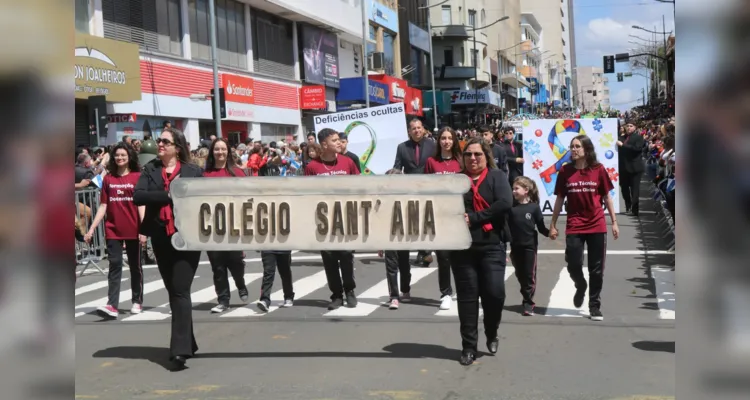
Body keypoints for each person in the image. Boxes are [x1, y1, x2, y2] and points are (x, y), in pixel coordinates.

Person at [134, 127, 203, 369]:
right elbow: (139, 196)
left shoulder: (193, 172)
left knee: (181, 289)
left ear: (177, 147)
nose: (159, 144)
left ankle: (179, 351)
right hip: (161, 238)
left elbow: (200, 199)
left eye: (165, 141)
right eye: (159, 141)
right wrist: (171, 195)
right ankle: (189, 343)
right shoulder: (150, 169)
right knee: (174, 291)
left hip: (188, 238)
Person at [452, 138, 513, 366]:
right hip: (463, 249)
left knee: (495, 294)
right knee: (467, 300)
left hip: (492, 246)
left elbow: (504, 203)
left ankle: (491, 330)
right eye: (468, 154)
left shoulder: (496, 177)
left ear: (486, 156)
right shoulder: (456, 181)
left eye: (477, 154)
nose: (473, 158)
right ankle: (468, 346)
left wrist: (475, 218)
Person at [549, 135, 619, 322]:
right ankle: (580, 285)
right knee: (573, 263)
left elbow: (607, 197)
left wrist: (614, 222)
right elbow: (559, 199)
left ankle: (594, 305)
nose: (574, 149)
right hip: (574, 223)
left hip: (596, 224)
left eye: (577, 146)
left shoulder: (599, 169)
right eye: (572, 146)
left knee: (597, 269)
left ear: (587, 149)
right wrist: (553, 223)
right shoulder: (565, 171)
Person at [84, 143, 146, 318]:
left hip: (134, 228)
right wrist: (92, 227)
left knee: (136, 266)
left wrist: (143, 229)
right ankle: (112, 304)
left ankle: (137, 300)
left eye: (123, 155)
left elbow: (141, 204)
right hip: (113, 230)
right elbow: (104, 205)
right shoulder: (108, 179)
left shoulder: (137, 177)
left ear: (129, 157)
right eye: (117, 155)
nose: (120, 158)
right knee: (115, 265)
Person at [304, 128, 360, 310]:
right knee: (329, 259)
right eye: (334, 140)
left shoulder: (348, 163)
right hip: (323, 222)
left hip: (345, 218)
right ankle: (336, 295)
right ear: (324, 144)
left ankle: (350, 291)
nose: (339, 142)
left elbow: (359, 188)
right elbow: (307, 195)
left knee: (346, 256)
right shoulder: (312, 167)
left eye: (339, 140)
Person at [202, 138, 249, 313]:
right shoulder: (205, 174)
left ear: (228, 152)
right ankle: (223, 300)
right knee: (218, 266)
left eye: (223, 149)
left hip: (234, 225)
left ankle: (240, 284)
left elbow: (248, 196)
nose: (220, 152)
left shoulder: (236, 172)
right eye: (216, 149)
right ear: (212, 152)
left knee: (236, 262)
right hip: (212, 226)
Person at [424, 126, 463, 310]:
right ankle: (445, 293)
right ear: (438, 141)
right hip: (439, 216)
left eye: (449, 138)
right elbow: (425, 187)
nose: (446, 141)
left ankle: (464, 290)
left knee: (462, 257)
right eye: (443, 138)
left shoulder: (461, 161)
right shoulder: (431, 162)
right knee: (443, 257)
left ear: (454, 140)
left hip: (460, 215)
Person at [393, 118, 436, 267]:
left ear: (423, 129)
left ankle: (426, 252)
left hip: (429, 188)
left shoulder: (433, 145)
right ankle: (422, 251)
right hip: (410, 189)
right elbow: (397, 167)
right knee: (416, 221)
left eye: (419, 128)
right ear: (409, 131)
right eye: (413, 128)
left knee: (428, 220)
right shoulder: (402, 147)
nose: (417, 131)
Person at [508, 176, 549, 316]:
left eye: (516, 188)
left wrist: (551, 233)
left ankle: (528, 302)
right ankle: (526, 295)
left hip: (529, 247)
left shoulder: (534, 208)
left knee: (529, 275)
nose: (513, 191)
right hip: (515, 247)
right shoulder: (511, 208)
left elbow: (541, 227)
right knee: (520, 274)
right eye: (513, 188)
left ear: (526, 190)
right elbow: (506, 228)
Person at [617, 120, 646, 216]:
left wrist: (623, 145)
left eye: (631, 126)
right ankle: (628, 204)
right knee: (624, 188)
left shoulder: (638, 137)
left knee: (635, 189)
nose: (628, 128)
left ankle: (635, 209)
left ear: (635, 127)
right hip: (623, 168)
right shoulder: (622, 137)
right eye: (627, 126)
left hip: (635, 168)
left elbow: (637, 149)